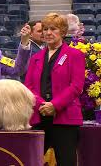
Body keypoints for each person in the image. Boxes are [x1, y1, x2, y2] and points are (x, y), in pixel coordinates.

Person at [24, 13, 85, 166]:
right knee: (30, 161)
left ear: (63, 32)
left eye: (53, 29)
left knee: (66, 162)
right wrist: (42, 105)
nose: (48, 33)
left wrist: (54, 105)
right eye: (45, 29)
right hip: (39, 116)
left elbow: (76, 86)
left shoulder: (75, 55)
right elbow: (28, 87)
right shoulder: (35, 58)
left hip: (65, 118)